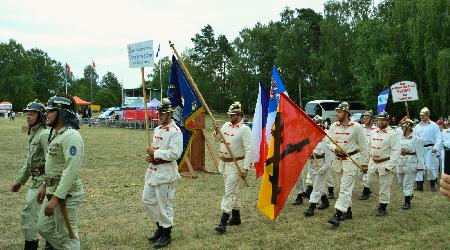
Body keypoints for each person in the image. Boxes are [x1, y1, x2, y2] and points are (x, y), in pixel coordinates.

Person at [37, 94, 84, 250]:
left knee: (68, 236)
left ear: (62, 112)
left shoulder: (71, 136)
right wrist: (44, 185)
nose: (45, 114)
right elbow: (53, 165)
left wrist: (56, 198)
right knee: (44, 228)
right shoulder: (57, 134)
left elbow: (71, 170)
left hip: (66, 195)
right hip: (52, 190)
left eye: (50, 111)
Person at [142, 98, 182, 248]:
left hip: (166, 172)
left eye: (162, 114)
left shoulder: (175, 132)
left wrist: (156, 153)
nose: (159, 116)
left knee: (164, 205)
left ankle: (166, 233)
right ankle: (160, 226)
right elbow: (155, 148)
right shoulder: (158, 129)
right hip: (153, 171)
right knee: (147, 200)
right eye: (158, 113)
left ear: (170, 114)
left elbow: (175, 154)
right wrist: (151, 156)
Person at [10, 100, 49, 250]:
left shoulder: (44, 134)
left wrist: (46, 185)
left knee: (29, 216)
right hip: (35, 179)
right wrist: (20, 181)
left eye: (31, 114)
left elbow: (51, 162)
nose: (28, 117)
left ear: (40, 117)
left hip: (42, 180)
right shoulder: (33, 133)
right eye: (27, 114)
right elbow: (29, 161)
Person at [212, 101, 252, 234]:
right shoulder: (226, 125)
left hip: (237, 165)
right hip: (224, 163)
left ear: (239, 115)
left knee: (228, 193)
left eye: (233, 115)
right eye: (229, 114)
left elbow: (249, 149)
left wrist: (245, 168)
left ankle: (223, 222)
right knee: (234, 192)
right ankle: (236, 217)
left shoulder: (245, 129)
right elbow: (218, 139)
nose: (230, 116)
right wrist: (216, 130)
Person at [326, 102, 368, 227]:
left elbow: (364, 147)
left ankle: (337, 214)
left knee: (345, 188)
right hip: (338, 160)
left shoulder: (357, 127)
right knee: (341, 188)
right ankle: (348, 211)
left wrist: (364, 164)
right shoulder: (334, 126)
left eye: (339, 112)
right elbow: (329, 142)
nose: (336, 114)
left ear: (346, 113)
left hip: (351, 160)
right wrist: (335, 149)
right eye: (336, 111)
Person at [367, 111, 400, 216]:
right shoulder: (373, 132)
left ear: (387, 121)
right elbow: (369, 146)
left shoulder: (393, 134)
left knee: (384, 186)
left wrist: (389, 166)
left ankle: (382, 207)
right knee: (370, 182)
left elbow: (396, 151)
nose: (380, 122)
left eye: (383, 120)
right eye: (379, 120)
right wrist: (366, 161)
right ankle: (381, 199)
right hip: (373, 163)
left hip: (385, 163)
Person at [303, 116, 333, 217]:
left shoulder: (327, 138)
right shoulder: (310, 137)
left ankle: (311, 207)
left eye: (318, 127)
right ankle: (325, 201)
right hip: (312, 164)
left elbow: (329, 157)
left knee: (316, 187)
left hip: (321, 164)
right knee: (317, 184)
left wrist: (324, 168)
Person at [396, 119, 424, 209]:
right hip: (400, 161)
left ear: (409, 127)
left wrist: (420, 165)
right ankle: (409, 194)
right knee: (400, 183)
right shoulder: (399, 136)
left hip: (410, 162)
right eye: (402, 126)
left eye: (404, 126)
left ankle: (407, 202)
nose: (402, 128)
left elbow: (420, 153)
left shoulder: (416, 138)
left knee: (407, 183)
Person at [413, 107, 442, 192]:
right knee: (419, 167)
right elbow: (414, 137)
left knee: (429, 167)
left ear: (428, 115)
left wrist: (436, 148)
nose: (421, 117)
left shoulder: (434, 125)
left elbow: (439, 138)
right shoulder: (417, 126)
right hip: (420, 149)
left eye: (423, 115)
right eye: (420, 115)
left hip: (430, 149)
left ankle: (432, 184)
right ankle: (419, 186)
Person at [359, 110, 376, 200]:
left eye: (367, 118)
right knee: (360, 174)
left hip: (370, 154)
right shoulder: (360, 128)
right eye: (364, 118)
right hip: (361, 154)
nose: (365, 119)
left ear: (372, 119)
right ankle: (368, 187)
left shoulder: (376, 129)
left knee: (366, 173)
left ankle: (366, 191)